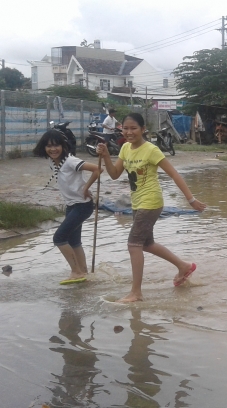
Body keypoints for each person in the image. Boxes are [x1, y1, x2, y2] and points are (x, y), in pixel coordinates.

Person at [96, 113, 206, 303]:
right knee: (146, 244)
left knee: (133, 245)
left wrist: (191, 199)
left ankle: (136, 293)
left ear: (143, 129)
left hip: (151, 202)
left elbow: (174, 175)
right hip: (137, 202)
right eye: (126, 128)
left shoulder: (151, 150)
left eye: (134, 128)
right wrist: (106, 156)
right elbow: (114, 174)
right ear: (121, 128)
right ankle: (184, 266)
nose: (129, 132)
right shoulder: (124, 148)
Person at [33, 129, 101, 285]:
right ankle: (83, 272)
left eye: (56, 145)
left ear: (63, 146)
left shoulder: (71, 161)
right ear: (44, 147)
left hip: (82, 206)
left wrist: (86, 188)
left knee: (59, 238)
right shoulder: (53, 161)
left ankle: (75, 271)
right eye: (49, 146)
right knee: (74, 241)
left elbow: (97, 169)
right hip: (71, 206)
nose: (53, 149)